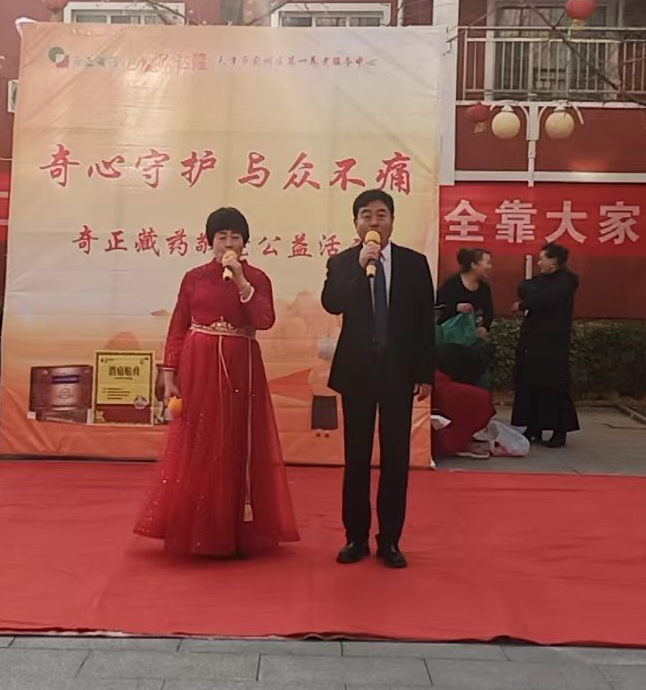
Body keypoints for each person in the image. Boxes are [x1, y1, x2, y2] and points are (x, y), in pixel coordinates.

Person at [135, 207, 298, 558]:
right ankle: (198, 525)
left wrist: (241, 282)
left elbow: (265, 320)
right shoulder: (193, 278)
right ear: (210, 241)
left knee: (238, 440)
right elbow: (178, 326)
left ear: (244, 243)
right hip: (198, 365)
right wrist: (169, 374)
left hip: (242, 366)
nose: (228, 243)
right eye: (221, 236)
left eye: (235, 237)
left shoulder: (257, 278)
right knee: (200, 440)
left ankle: (238, 527)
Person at [320, 189, 435, 569]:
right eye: (366, 215)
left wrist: (425, 373)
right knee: (356, 459)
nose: (374, 222)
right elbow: (333, 303)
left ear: (392, 220)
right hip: (357, 373)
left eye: (381, 215)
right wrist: (359, 266)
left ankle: (390, 540)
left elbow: (424, 322)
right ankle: (355, 537)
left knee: (396, 459)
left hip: (398, 372)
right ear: (356, 223)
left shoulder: (414, 263)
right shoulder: (342, 262)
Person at [513, 242, 581, 448]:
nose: (539, 262)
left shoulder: (567, 281)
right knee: (531, 382)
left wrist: (524, 304)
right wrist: (530, 298)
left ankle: (560, 430)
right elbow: (524, 287)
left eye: (542, 259)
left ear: (554, 261)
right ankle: (533, 426)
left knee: (553, 385)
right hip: (533, 340)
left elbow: (546, 298)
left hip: (553, 342)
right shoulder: (542, 280)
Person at [436, 247, 495, 334]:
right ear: (473, 265)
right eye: (488, 263)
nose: (490, 267)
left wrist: (484, 327)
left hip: (472, 336)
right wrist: (456, 307)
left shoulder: (484, 288)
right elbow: (437, 306)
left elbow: (489, 312)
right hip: (449, 336)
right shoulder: (451, 284)